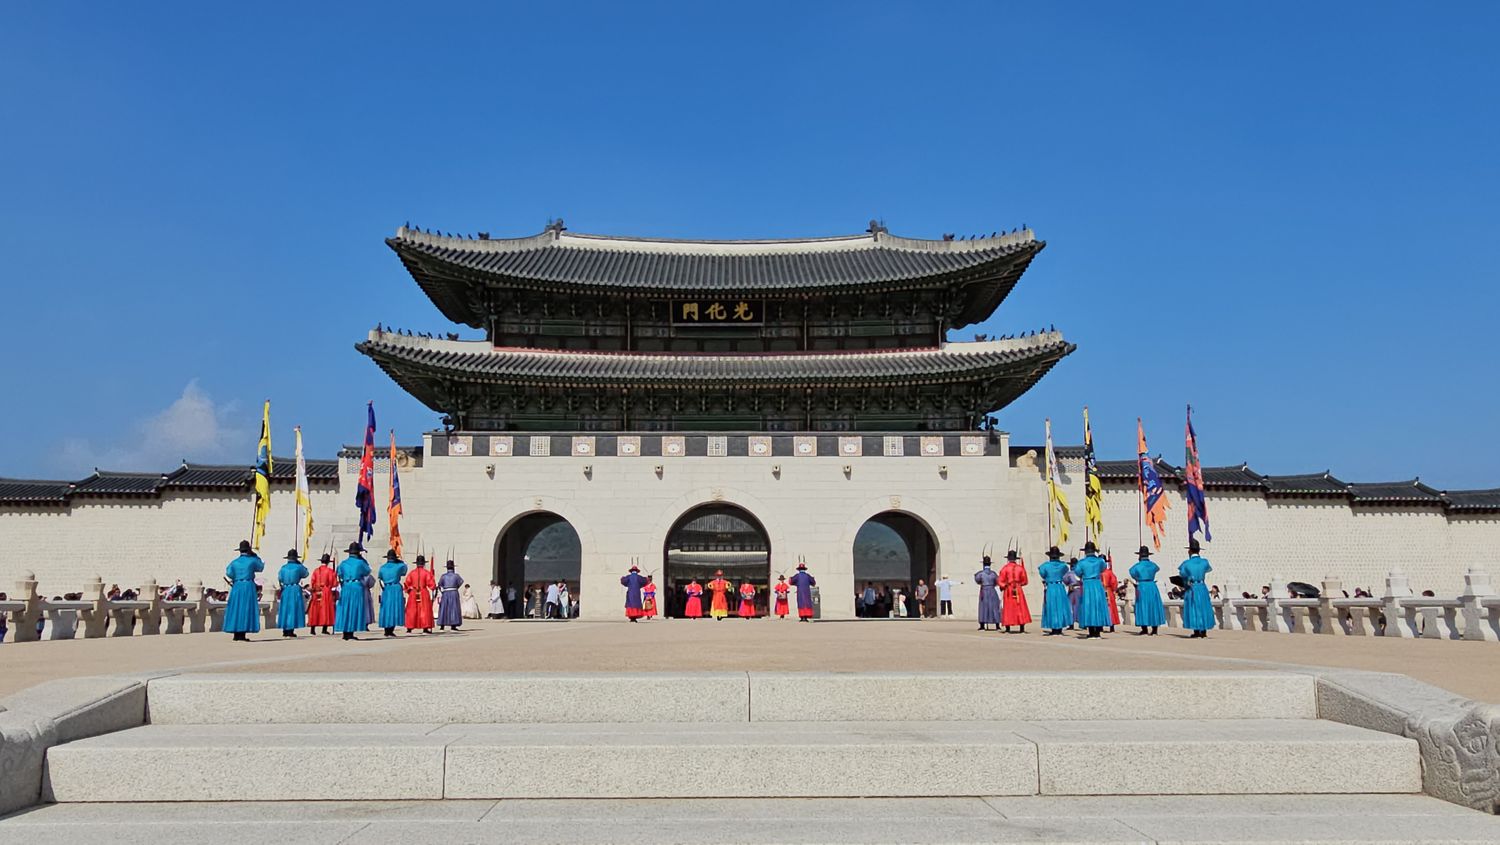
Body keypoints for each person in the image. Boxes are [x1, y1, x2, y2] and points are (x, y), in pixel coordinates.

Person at [223, 540, 264, 642]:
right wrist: (255, 556)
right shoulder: (252, 560)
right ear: (249, 550)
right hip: (248, 585)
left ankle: (236, 633)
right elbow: (260, 567)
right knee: (245, 608)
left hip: (237, 586)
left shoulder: (234, 562)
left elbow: (229, 573)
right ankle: (242, 633)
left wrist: (237, 577)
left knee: (236, 608)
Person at [333, 542, 371, 641]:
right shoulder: (360, 563)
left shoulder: (343, 563)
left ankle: (345, 633)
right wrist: (363, 559)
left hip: (346, 586)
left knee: (345, 608)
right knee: (354, 609)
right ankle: (350, 632)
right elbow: (367, 571)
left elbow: (339, 574)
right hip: (356, 586)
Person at [1179, 538, 1215, 638]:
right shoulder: (1205, 562)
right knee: (1203, 607)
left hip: (1192, 587)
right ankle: (1204, 630)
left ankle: (1196, 630)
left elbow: (1182, 574)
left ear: (1189, 551)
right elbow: (1208, 569)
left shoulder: (1186, 563)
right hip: (1202, 586)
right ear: (1199, 550)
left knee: (1193, 607)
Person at [1075, 541, 1111, 638]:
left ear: (1085, 551)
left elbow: (1078, 572)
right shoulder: (1100, 561)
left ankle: (1091, 631)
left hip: (1087, 584)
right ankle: (1098, 631)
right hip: (1097, 584)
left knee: (1088, 606)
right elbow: (1103, 569)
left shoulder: (1081, 562)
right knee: (1098, 606)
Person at [1128, 545, 1165, 636]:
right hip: (1152, 585)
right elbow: (1157, 569)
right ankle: (1154, 629)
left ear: (1139, 556)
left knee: (1142, 606)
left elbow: (1132, 574)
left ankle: (1144, 628)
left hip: (1142, 586)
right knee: (1153, 606)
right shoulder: (1153, 565)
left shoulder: (1136, 567)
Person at [276, 549, 309, 638]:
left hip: (286, 589)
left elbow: (280, 578)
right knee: (293, 609)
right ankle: (290, 629)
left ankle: (285, 629)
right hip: (294, 589)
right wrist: (300, 564)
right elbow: (306, 574)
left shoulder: (283, 568)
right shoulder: (298, 567)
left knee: (285, 609)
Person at [1037, 546, 1070, 635]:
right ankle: (1059, 627)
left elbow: (1042, 574)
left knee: (1051, 607)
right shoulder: (1063, 566)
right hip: (1059, 587)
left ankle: (1053, 627)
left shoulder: (1045, 566)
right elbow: (1066, 570)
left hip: (1051, 587)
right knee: (1060, 606)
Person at [998, 550, 1031, 634]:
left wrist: (1004, 585)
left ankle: (1008, 627)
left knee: (1008, 608)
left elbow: (1000, 580)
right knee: (1020, 607)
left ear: (1008, 558)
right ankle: (1022, 627)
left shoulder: (1005, 568)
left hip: (1008, 589)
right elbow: (1025, 581)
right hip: (1018, 588)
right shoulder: (1020, 568)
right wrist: (1019, 584)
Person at [377, 549, 408, 638]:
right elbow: (404, 571)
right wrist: (400, 561)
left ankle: (386, 629)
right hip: (395, 588)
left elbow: (380, 578)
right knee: (394, 608)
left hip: (386, 588)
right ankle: (391, 630)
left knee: (386, 608)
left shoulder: (382, 567)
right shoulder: (399, 566)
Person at [404, 556, 436, 633]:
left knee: (411, 610)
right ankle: (425, 627)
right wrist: (433, 584)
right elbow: (432, 585)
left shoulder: (412, 573)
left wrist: (409, 591)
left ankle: (409, 627)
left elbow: (406, 584)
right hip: (423, 592)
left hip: (413, 592)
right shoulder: (426, 573)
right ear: (424, 563)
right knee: (425, 610)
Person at [307, 553, 337, 635]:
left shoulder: (316, 571)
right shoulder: (330, 571)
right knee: (325, 610)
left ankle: (312, 629)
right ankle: (324, 628)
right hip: (326, 591)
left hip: (316, 590)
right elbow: (334, 583)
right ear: (328, 562)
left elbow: (312, 581)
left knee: (315, 610)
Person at [973, 556, 1001, 631]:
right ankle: (997, 625)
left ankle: (982, 625)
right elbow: (997, 581)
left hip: (984, 590)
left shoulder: (980, 574)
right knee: (994, 607)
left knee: (983, 607)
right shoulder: (993, 573)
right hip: (992, 590)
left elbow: (977, 580)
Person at [436, 560, 465, 630]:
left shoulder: (443, 576)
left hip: (445, 592)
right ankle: (453, 625)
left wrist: (442, 591)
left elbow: (439, 584)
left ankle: (442, 625)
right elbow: (461, 582)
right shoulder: (456, 576)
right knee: (454, 608)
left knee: (444, 608)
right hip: (454, 592)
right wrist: (455, 587)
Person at [1100, 554, 1121, 633]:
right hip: (1108, 591)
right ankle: (1111, 626)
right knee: (1110, 608)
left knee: (1101, 608)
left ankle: (1101, 626)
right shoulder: (1109, 572)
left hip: (1101, 591)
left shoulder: (1097, 573)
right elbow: (1114, 583)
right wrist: (1113, 589)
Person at [1064, 559, 1082, 629]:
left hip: (1072, 591)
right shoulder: (1080, 572)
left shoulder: (1069, 573)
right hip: (1080, 590)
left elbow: (1065, 581)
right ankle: (1083, 623)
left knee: (1070, 607)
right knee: (1080, 606)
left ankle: (1071, 624)